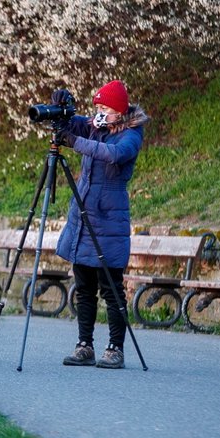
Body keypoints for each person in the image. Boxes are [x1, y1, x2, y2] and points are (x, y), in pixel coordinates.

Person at [51, 80, 149, 369]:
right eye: (98, 107)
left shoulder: (131, 134)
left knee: (111, 288)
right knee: (84, 287)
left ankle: (115, 349)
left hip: (109, 217)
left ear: (119, 111)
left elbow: (114, 154)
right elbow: (73, 124)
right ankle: (85, 346)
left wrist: (75, 141)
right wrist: (59, 108)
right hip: (83, 215)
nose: (100, 112)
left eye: (106, 108)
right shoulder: (95, 125)